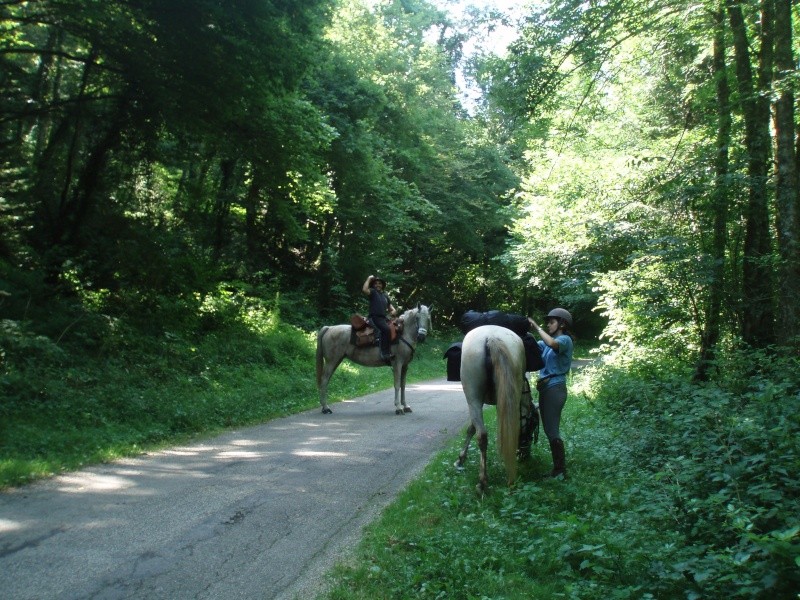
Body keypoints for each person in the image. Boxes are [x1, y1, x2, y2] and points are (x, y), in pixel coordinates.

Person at [528, 308, 574, 478]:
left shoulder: (564, 340)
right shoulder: (548, 342)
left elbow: (552, 344)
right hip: (548, 389)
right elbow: (535, 345)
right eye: (547, 322)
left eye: (552, 322)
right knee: (549, 429)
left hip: (555, 388)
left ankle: (560, 470)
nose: (548, 325)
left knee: (552, 429)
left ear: (562, 324)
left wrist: (537, 327)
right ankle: (559, 468)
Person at [362, 275, 397, 362]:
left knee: (394, 329)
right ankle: (385, 354)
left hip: (382, 319)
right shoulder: (373, 292)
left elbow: (392, 309)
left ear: (382, 285)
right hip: (374, 317)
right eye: (376, 283)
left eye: (379, 283)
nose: (378, 285)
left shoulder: (385, 296)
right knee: (387, 330)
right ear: (373, 285)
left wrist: (393, 311)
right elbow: (364, 290)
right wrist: (369, 278)